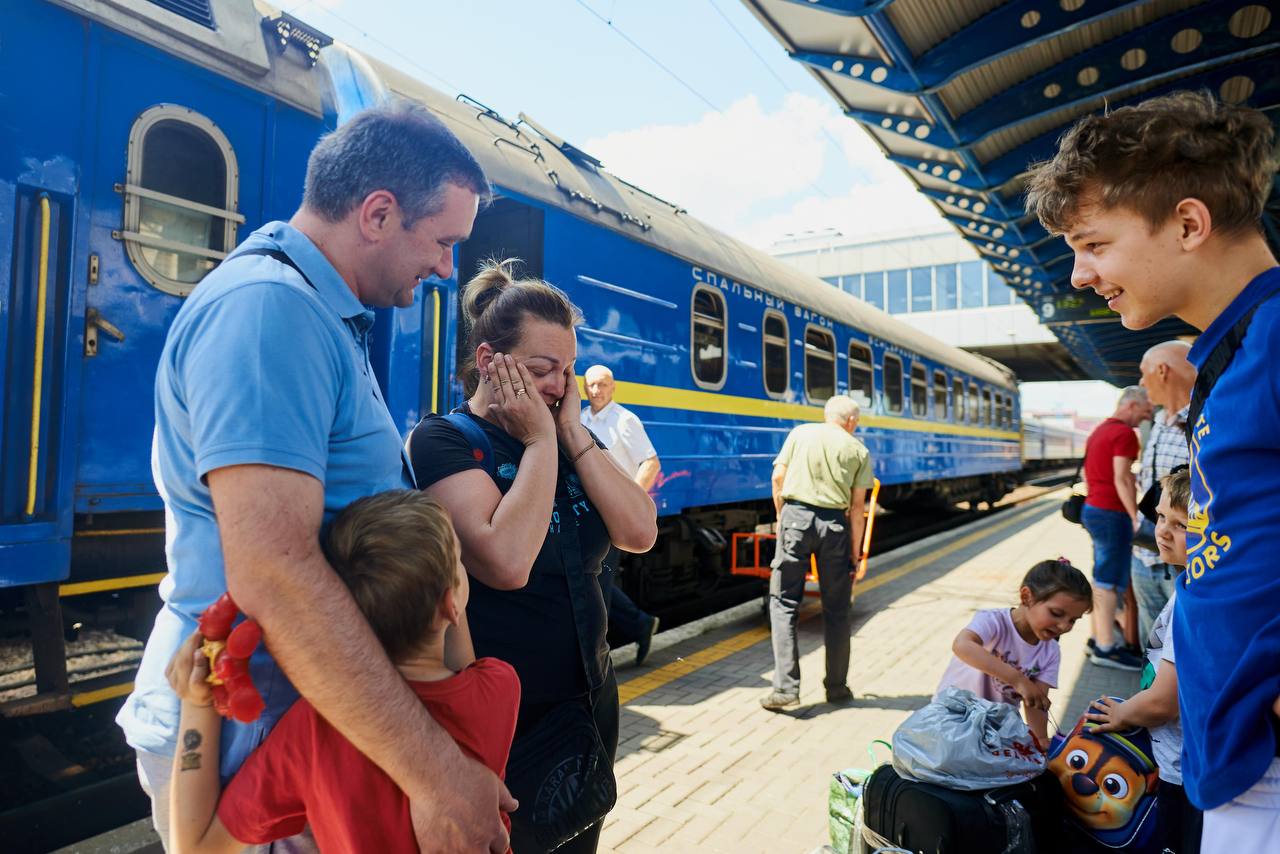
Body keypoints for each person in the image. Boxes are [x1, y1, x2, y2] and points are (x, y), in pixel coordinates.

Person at [113, 101, 511, 853]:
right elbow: (275, 570)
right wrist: (435, 775)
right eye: (443, 242)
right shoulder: (271, 314)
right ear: (378, 213)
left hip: (282, 730)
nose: (446, 268)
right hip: (249, 738)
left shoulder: (317, 315)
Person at [1025, 90, 1280, 853]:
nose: (1078, 274)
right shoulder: (1233, 354)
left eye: (1093, 244)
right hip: (1233, 754)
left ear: (1189, 223)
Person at [407, 261, 658, 853]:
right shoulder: (445, 440)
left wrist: (572, 435)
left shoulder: (567, 437)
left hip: (590, 696)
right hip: (506, 715)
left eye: (566, 372)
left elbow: (640, 529)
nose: (558, 386)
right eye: (543, 369)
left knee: (579, 839)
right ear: (491, 359)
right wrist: (542, 441)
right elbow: (504, 560)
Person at [165, 491, 519, 854]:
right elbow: (460, 665)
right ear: (451, 604)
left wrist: (197, 702)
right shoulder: (500, 685)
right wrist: (446, 581)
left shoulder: (312, 732)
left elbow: (195, 846)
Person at [1087, 468, 1201, 854]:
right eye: (1160, 517)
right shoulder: (1190, 585)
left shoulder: (1195, 602)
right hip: (1178, 758)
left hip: (1184, 772)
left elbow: (1162, 702)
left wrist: (1121, 717)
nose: (1164, 532)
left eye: (1181, 525)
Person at [761, 395, 874, 711]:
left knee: (783, 603)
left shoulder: (799, 433)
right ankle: (837, 689)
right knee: (837, 610)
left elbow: (777, 478)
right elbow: (857, 509)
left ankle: (786, 689)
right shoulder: (858, 449)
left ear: (827, 415)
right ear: (851, 421)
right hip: (835, 526)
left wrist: (784, 517)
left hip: (795, 519)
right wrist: (855, 553)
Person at [935, 559, 1092, 748]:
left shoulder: (1050, 651)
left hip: (995, 731)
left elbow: (1035, 702)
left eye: (1073, 620)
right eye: (1057, 613)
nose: (1064, 626)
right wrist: (1018, 680)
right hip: (953, 718)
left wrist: (1040, 739)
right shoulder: (993, 622)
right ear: (1027, 597)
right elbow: (962, 645)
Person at [581, 364, 661, 666]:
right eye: (591, 385)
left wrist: (628, 503)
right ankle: (640, 623)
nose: (596, 390)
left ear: (613, 387)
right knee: (591, 577)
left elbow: (651, 463)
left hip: (609, 513)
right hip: (584, 511)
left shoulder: (625, 421)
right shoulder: (580, 418)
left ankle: (595, 659)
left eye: (602, 385)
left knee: (597, 584)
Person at [1080, 385, 1151, 671]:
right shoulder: (1124, 434)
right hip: (1112, 513)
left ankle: (1097, 638)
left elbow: (1088, 472)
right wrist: (1135, 516)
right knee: (1110, 581)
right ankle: (1106, 648)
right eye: (1145, 413)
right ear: (1132, 405)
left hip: (1094, 508)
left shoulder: (1099, 430)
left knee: (1101, 577)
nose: (1144, 420)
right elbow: (1123, 478)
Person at [1131, 341, 1195, 643]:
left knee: (1183, 645)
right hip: (1144, 553)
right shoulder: (1158, 421)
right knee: (1153, 647)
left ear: (1162, 370)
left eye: (1144, 375)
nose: (1142, 384)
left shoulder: (1207, 417)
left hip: (1185, 562)